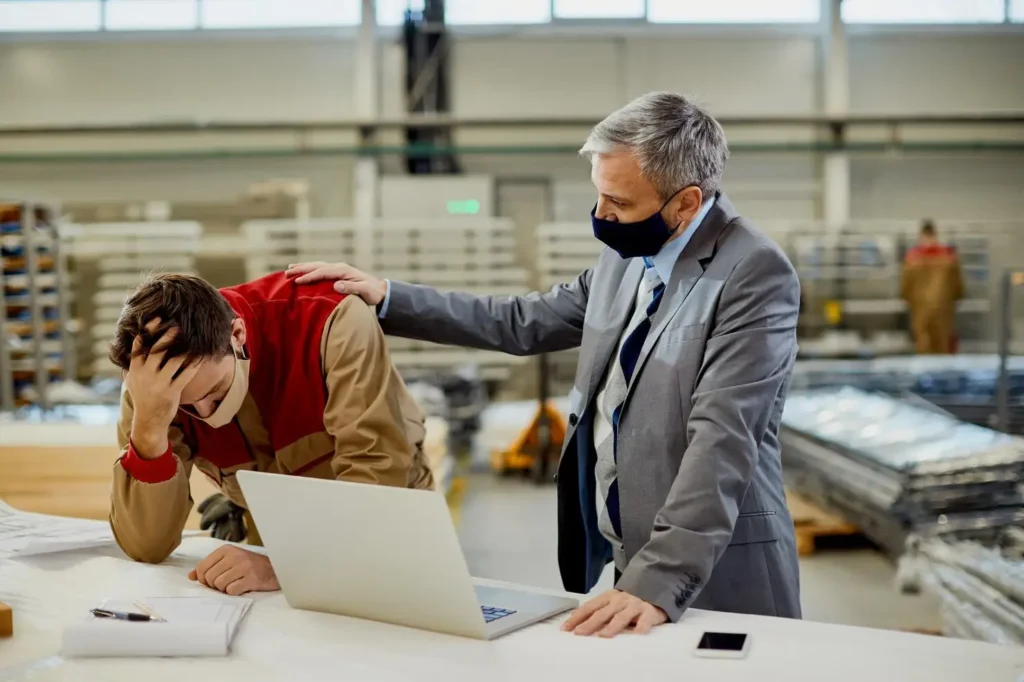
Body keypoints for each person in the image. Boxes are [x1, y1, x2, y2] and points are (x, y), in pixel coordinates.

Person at [288, 91, 802, 637]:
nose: (602, 217)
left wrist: (660, 577)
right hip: (633, 557)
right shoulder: (627, 259)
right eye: (599, 197)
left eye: (620, 205)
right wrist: (388, 296)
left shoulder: (753, 273)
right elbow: (520, 320)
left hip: (714, 569)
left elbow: (722, 440)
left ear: (686, 202)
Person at [108, 271, 434, 596]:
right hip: (276, 534)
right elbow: (147, 546)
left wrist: (289, 567)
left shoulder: (331, 320)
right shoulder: (150, 387)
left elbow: (375, 476)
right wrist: (150, 430)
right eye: (187, 406)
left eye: (217, 392)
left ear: (236, 335)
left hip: (382, 525)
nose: (207, 414)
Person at [901, 220, 964, 354]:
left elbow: (905, 288)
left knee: (923, 345)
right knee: (943, 345)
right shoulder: (949, 258)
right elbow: (958, 287)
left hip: (920, 309)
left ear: (921, 236)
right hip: (943, 308)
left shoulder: (912, 259)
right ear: (935, 235)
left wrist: (909, 299)